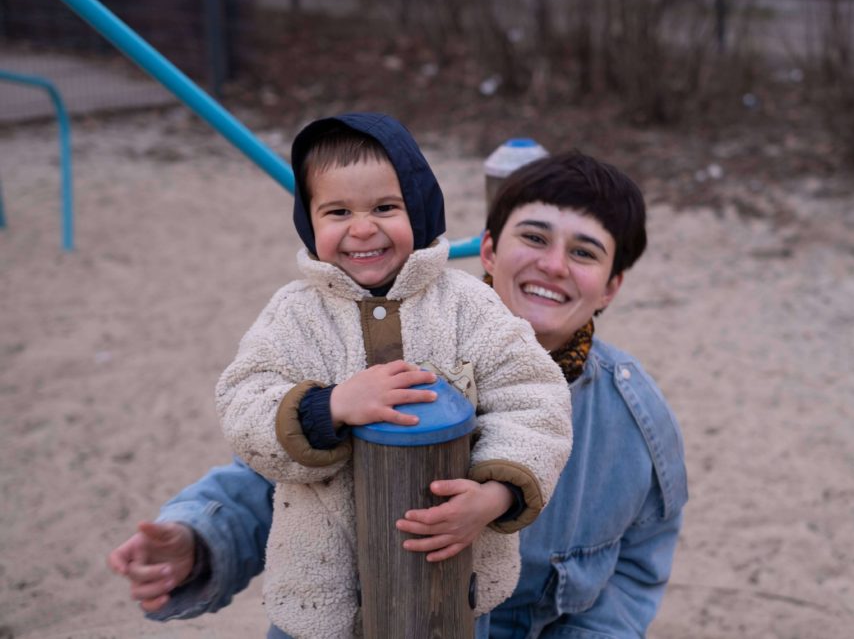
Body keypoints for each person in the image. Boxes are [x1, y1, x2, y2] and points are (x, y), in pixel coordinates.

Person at [109, 151, 689, 638]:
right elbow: (265, 487)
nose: (553, 264)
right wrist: (195, 540)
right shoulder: (385, 357)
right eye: (533, 237)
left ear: (612, 285)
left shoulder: (633, 419)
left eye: (584, 252)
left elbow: (637, 564)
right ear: (488, 251)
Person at [205, 112, 573, 638]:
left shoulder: (468, 306)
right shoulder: (293, 316)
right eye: (337, 211)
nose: (361, 227)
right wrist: (328, 407)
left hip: (451, 590)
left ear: (419, 210)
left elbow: (535, 399)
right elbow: (243, 403)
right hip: (321, 600)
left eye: (384, 207)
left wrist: (494, 496)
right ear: (310, 222)